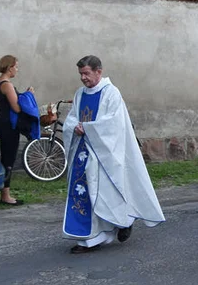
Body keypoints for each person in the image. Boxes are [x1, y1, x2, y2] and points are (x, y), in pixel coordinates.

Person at [62, 56, 164, 253]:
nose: (83, 78)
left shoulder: (111, 93)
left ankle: (122, 221)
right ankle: (89, 238)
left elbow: (114, 124)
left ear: (98, 71)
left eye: (86, 73)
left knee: (104, 193)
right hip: (82, 154)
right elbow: (72, 118)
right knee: (84, 194)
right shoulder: (80, 94)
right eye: (81, 74)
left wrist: (89, 128)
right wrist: (75, 126)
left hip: (103, 154)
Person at [0, 55, 31, 205]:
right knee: (8, 158)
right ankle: (5, 196)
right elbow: (16, 107)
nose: (17, 69)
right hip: (8, 124)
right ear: (9, 68)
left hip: (3, 121)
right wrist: (29, 96)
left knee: (7, 157)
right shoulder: (7, 84)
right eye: (16, 66)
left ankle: (5, 193)